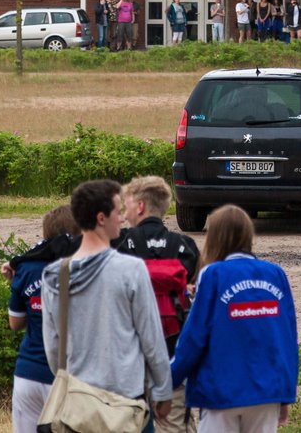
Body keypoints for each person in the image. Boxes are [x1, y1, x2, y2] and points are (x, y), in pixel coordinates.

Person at [40, 180, 173, 432]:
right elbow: (152, 340)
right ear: (101, 218)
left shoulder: (56, 274)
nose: (122, 218)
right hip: (126, 404)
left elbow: (53, 348)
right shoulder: (131, 270)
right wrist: (163, 390)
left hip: (78, 407)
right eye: (117, 211)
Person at [171, 205, 298, 433]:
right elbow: (288, 339)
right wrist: (286, 392)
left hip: (220, 391)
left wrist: (169, 381)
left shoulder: (212, 274)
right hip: (266, 392)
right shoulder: (275, 273)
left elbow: (194, 336)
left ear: (215, 238)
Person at [119, 177, 201, 433]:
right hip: (170, 354)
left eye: (127, 206)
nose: (124, 213)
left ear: (140, 207)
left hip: (130, 354)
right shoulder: (185, 247)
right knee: (174, 423)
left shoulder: (120, 243)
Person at [8, 206, 80, 433]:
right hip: (68, 375)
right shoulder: (82, 267)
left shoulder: (26, 267)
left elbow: (15, 323)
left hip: (28, 371)